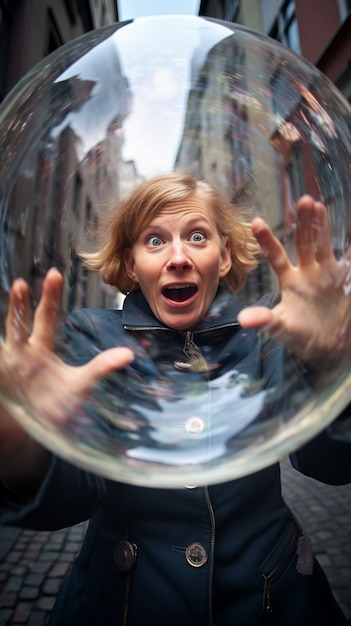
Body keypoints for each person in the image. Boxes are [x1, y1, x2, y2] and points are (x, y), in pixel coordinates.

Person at [0, 172, 350, 626]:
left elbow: (329, 463)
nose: (179, 257)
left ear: (223, 256)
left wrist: (328, 364)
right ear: (130, 264)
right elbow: (72, 496)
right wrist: (23, 448)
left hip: (270, 597)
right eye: (154, 241)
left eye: (198, 236)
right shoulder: (93, 335)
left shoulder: (264, 329)